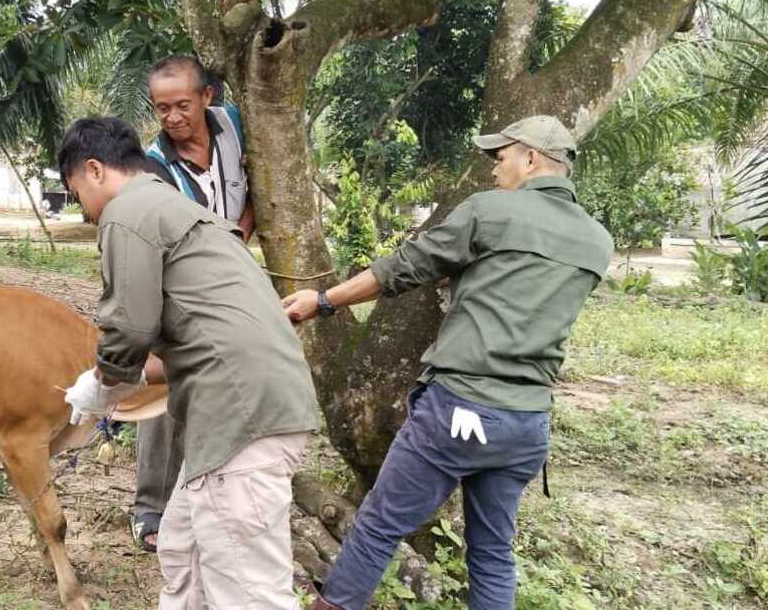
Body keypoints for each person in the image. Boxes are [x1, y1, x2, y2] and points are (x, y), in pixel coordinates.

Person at [283, 116, 614, 610]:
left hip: (461, 410)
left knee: (378, 524)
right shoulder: (596, 241)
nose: (495, 169)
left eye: (501, 157)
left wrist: (324, 301)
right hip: (526, 423)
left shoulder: (490, 212)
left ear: (530, 158)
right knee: (494, 551)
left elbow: (403, 268)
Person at [59, 116, 319, 609]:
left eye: (76, 193)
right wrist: (118, 377)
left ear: (94, 170)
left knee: (248, 592)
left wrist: (104, 386)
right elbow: (194, 343)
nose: (85, 211)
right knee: (183, 547)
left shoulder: (127, 211)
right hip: (259, 404)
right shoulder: (180, 209)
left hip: (237, 416)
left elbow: (130, 330)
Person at [131, 55, 255, 553]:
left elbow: (255, 196)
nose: (173, 117)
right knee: (166, 391)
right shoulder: (153, 166)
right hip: (177, 288)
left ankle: (202, 493)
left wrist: (238, 240)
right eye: (162, 108)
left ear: (207, 97)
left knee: (221, 385)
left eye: (182, 104)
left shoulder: (237, 127)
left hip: (234, 284)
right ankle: (149, 508)